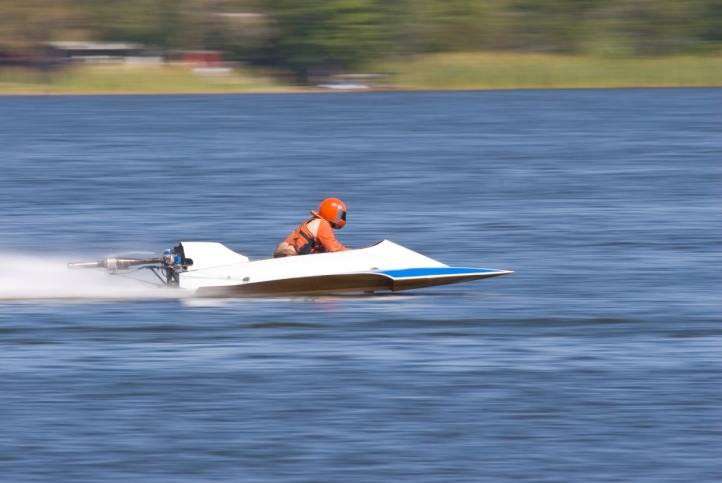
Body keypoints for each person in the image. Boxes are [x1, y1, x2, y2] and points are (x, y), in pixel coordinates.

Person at [273, 198, 350, 257]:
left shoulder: (316, 221)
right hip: (289, 253)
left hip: (285, 252)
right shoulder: (323, 224)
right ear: (334, 213)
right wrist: (351, 253)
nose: (341, 217)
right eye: (340, 214)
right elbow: (334, 248)